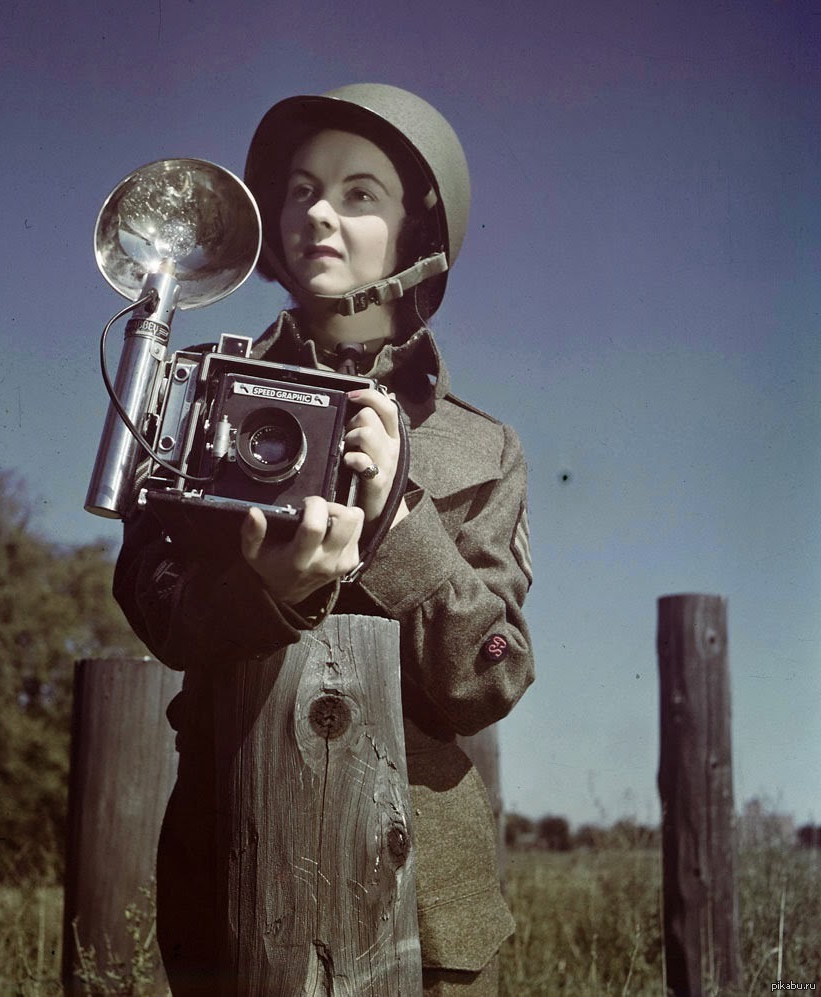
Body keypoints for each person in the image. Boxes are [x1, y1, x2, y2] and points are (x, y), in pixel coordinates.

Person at [113, 83, 534, 996]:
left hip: (428, 899)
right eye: (300, 190)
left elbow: (491, 673)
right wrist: (262, 591)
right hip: (236, 858)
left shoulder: (481, 447)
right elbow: (153, 601)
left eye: (358, 193)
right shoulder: (205, 394)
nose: (319, 215)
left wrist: (399, 524)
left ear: (417, 233)